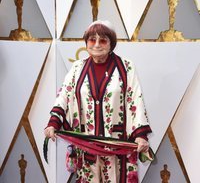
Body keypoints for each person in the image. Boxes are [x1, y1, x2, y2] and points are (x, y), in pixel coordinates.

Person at [44, 20, 152, 182]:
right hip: (87, 145)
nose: (96, 45)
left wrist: (140, 134)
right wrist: (53, 123)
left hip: (117, 144)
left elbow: (135, 99)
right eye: (92, 40)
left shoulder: (126, 67)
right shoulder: (77, 68)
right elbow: (64, 95)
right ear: (86, 42)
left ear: (111, 44)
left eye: (102, 40)